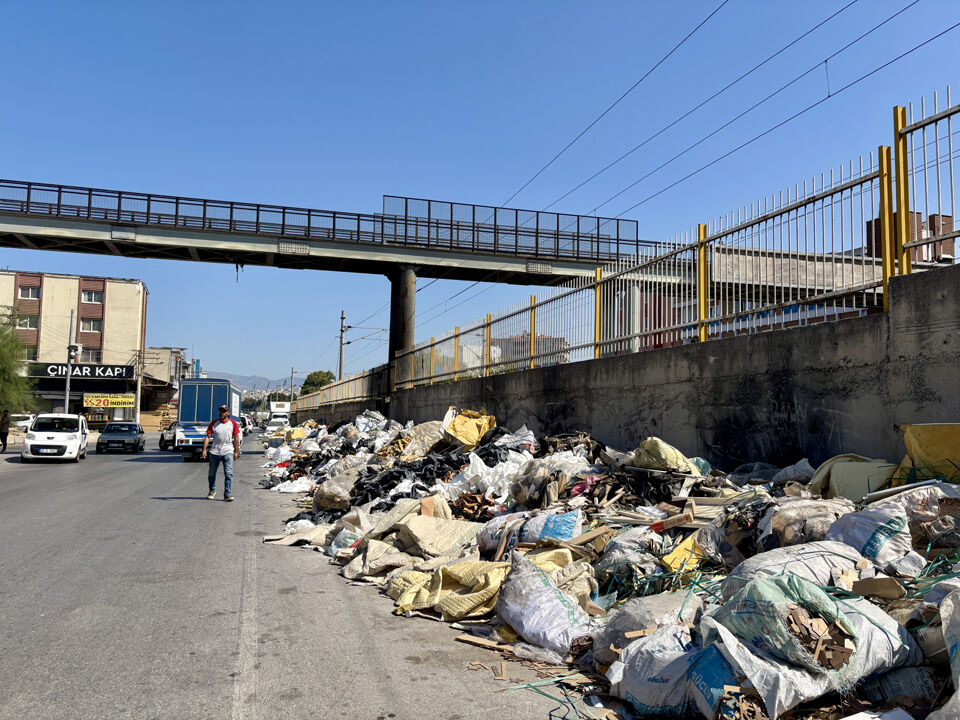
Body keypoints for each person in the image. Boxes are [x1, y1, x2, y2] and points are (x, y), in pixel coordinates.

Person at [201, 405, 241, 501]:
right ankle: (212, 490)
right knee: (211, 473)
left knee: (228, 473)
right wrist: (204, 449)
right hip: (214, 452)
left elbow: (236, 438)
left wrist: (236, 451)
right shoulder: (214, 423)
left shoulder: (233, 424)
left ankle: (227, 493)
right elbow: (207, 436)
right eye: (220, 411)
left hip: (228, 451)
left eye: (224, 411)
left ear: (228, 413)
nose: (221, 413)